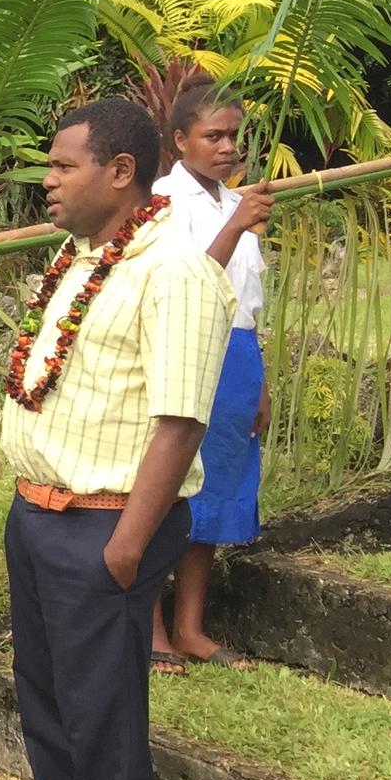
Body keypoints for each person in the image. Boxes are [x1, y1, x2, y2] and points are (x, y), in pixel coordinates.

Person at [0, 98, 232, 780]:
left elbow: (179, 420)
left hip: (107, 525)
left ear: (120, 171)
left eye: (62, 167)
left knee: (105, 725)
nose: (46, 180)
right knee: (50, 708)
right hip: (40, 514)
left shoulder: (174, 269)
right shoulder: (83, 257)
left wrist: (127, 548)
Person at [151, 82, 273, 673]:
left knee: (215, 489)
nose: (227, 147)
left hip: (238, 355)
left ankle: (191, 626)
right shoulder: (161, 203)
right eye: (212, 136)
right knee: (166, 487)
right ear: (180, 141)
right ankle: (151, 628)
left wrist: (260, 384)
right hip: (185, 349)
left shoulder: (235, 200)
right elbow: (188, 281)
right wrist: (238, 226)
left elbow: (248, 302)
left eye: (233, 136)